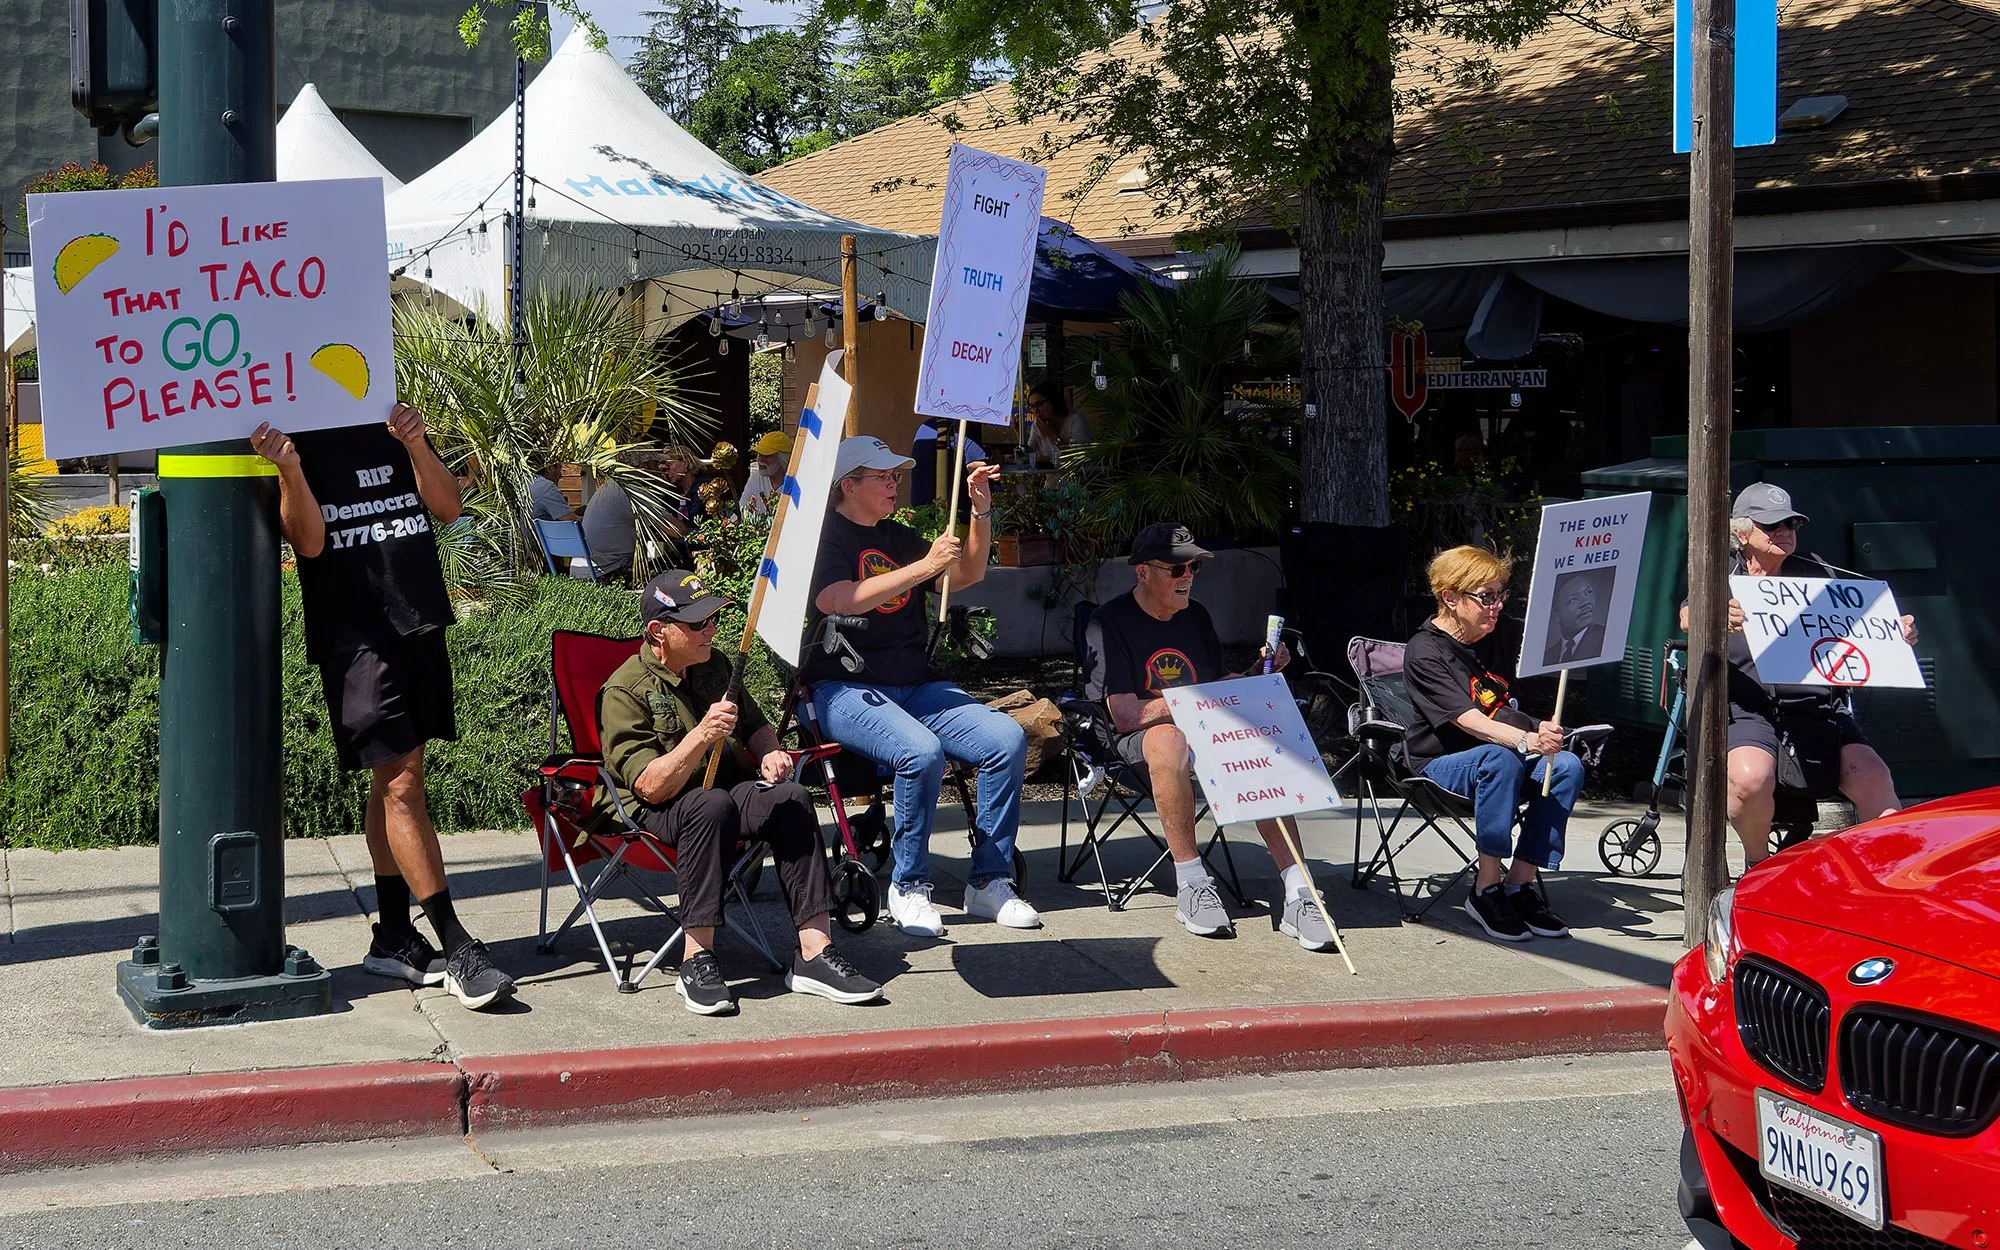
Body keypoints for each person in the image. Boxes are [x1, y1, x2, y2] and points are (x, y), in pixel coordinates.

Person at [250, 408, 516, 1010]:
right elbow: (310, 543)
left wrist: (418, 443)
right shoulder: (295, 432)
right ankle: (457, 946)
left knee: (390, 782)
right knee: (402, 785)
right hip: (355, 637)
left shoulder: (387, 419)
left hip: (418, 621)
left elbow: (448, 507)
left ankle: (394, 933)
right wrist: (290, 468)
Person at [596, 570, 883, 1016]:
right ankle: (697, 960)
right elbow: (650, 787)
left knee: (790, 799)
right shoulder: (624, 690)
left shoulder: (716, 664)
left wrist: (769, 753)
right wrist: (701, 737)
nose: (710, 629)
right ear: (658, 632)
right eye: (697, 623)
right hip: (661, 809)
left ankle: (814, 953)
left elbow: (755, 726)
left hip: (728, 792)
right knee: (710, 806)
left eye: (712, 618)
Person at [805, 436, 1037, 937]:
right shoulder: (827, 537)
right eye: (883, 477)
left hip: (914, 683)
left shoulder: (897, 536)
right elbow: (837, 599)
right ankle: (909, 887)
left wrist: (979, 512)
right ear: (849, 485)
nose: (894, 484)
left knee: (1005, 739)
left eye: (896, 476)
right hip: (842, 687)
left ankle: (989, 881)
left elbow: (968, 573)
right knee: (921, 752)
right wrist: (922, 567)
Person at [1083, 522, 1336, 951]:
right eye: (1177, 569)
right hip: (1138, 742)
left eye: (1194, 569)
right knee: (1169, 739)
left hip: (1204, 732)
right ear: (1143, 572)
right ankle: (1192, 884)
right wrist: (1196, 700)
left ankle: (1299, 892)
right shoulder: (1109, 622)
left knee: (1255, 736)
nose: (1188, 578)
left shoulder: (1195, 616)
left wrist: (1260, 673)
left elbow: (1220, 686)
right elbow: (1126, 714)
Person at [1680, 482, 1916, 867]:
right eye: (1772, 525)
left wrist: (1895, 631)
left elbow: (1864, 627)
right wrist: (1716, 615)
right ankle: (1759, 865)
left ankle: (1889, 870)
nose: (1784, 532)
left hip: (1816, 704)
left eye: (1790, 524)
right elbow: (1688, 617)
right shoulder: (1720, 574)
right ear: (1742, 532)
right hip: (1748, 706)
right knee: (1748, 780)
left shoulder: (1816, 572)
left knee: (1873, 775)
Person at [1401, 545, 1583, 944]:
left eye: (1500, 595)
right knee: (1501, 758)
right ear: (1450, 598)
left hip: (1504, 754)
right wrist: (1527, 739)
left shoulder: (1498, 633)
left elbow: (1557, 630)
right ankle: (1486, 889)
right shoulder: (1425, 650)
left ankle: (1519, 885)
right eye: (1486, 597)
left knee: (1567, 765)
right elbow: (1469, 721)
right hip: (1441, 763)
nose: (1496, 606)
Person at [908, 418, 984, 508]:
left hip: (921, 508)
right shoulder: (961, 427)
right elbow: (978, 470)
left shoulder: (926, 426)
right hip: (950, 511)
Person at [579, 467, 635, 581]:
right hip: (606, 571)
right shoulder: (633, 489)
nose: (659, 468)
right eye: (655, 463)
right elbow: (675, 530)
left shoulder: (609, 485)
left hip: (580, 569)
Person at [1541, 572, 1607, 667]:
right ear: (1556, 616)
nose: (1586, 601)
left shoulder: (1606, 640)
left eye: (1588, 592)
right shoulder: (1547, 656)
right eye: (1573, 600)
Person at [1027, 382, 1090, 466]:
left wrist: (1052, 435)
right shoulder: (1037, 425)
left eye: (1039, 405)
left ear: (1052, 401)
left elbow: (1079, 459)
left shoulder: (1075, 421)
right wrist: (1019, 433)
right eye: (1032, 407)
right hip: (1051, 478)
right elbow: (1029, 455)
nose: (1035, 410)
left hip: (1076, 477)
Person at [738, 431, 792, 518]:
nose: (760, 459)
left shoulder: (795, 483)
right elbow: (741, 510)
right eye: (759, 454)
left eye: (766, 454)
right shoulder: (756, 478)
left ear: (782, 458)